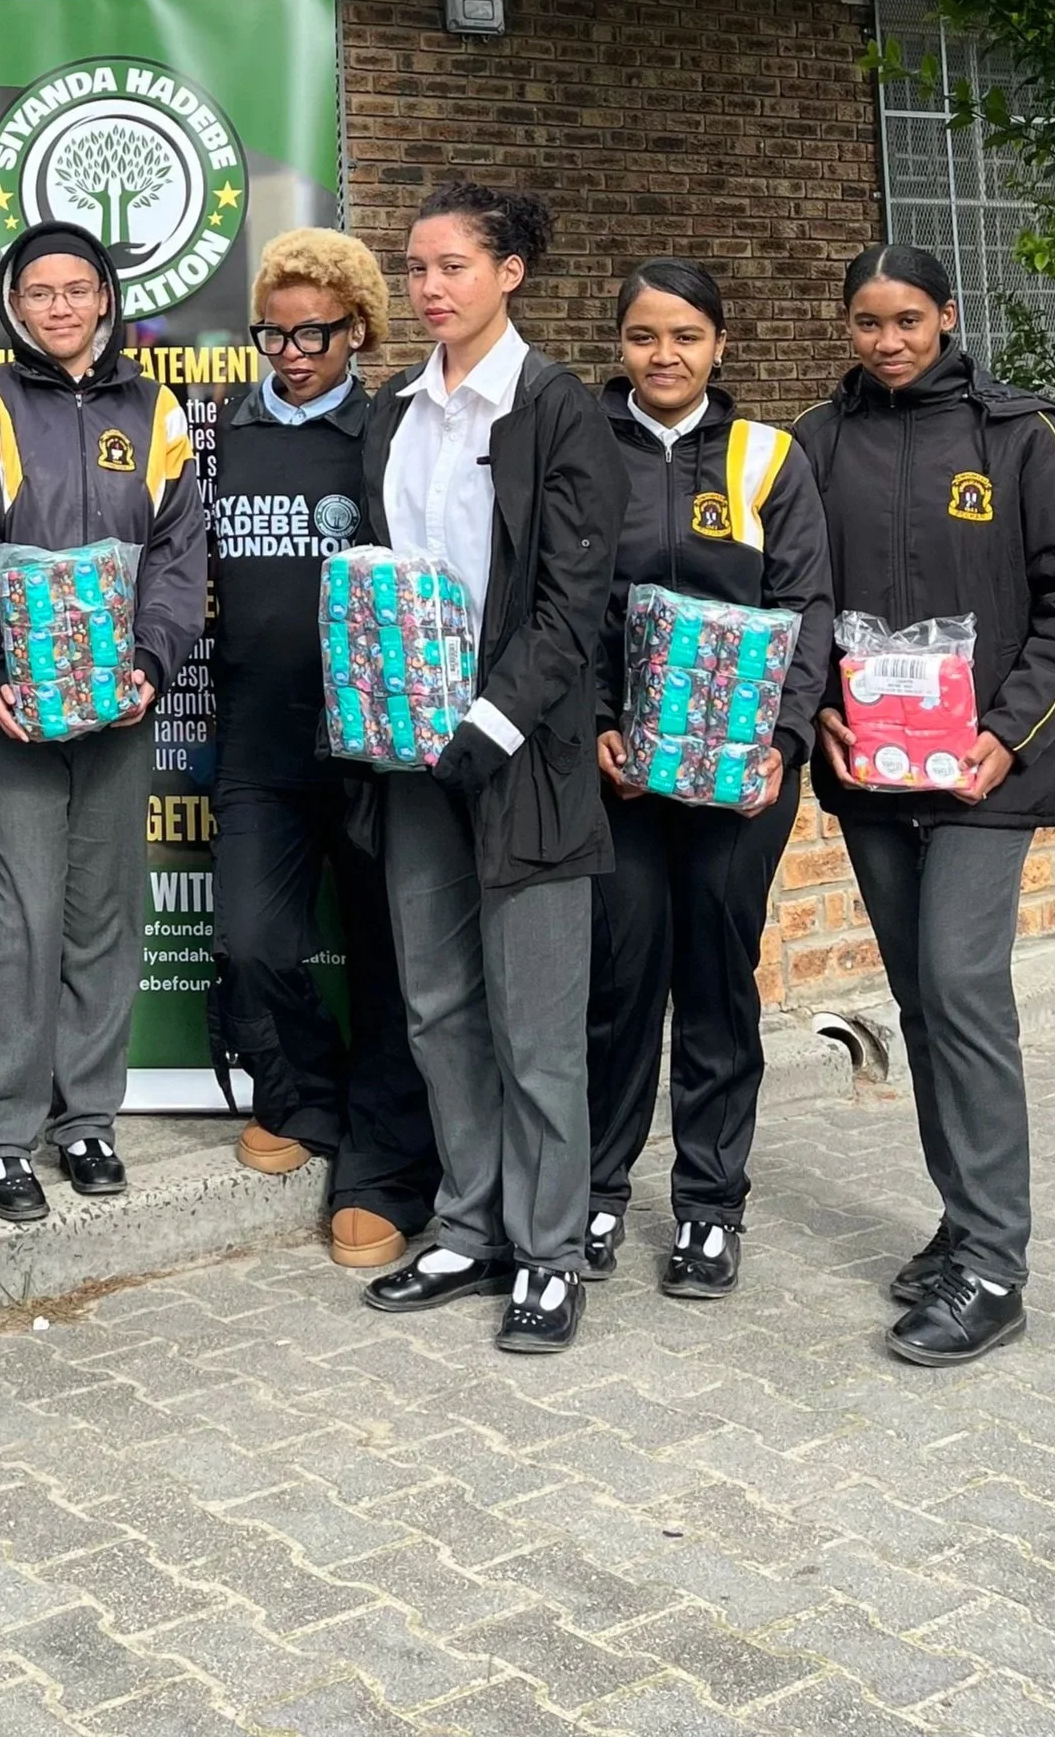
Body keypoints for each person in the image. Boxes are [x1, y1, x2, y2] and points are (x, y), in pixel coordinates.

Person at [357, 182, 626, 1353]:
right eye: (414, 268)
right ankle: (468, 1222)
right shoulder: (393, 411)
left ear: (508, 271)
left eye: (451, 265)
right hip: (410, 750)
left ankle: (551, 1250)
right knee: (435, 1002)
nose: (428, 287)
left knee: (534, 1020)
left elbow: (573, 603)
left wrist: (491, 721)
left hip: (520, 758)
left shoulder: (556, 408)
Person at [794, 243, 1055, 1366]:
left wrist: (1003, 737)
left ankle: (996, 1266)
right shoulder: (816, 441)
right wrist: (815, 701)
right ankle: (960, 1220)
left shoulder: (1018, 435)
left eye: (906, 319)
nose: (886, 340)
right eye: (865, 322)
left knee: (961, 985)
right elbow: (796, 595)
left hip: (977, 777)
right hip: (871, 776)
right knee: (915, 997)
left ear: (945, 315)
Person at [0, 219, 207, 1221]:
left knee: (104, 910)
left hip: (118, 710)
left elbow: (180, 556)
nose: (57, 305)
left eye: (75, 287)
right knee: (23, 915)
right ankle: (2, 1131)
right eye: (37, 291)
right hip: (14, 709)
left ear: (104, 296)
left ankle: (85, 1115)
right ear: (14, 306)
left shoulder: (155, 408)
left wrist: (148, 664)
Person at [585, 259, 833, 1298]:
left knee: (716, 982)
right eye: (643, 336)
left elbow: (806, 602)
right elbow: (565, 600)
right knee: (618, 975)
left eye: (684, 335)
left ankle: (707, 1205)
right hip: (620, 780)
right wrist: (598, 724)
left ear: (717, 344)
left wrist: (778, 740)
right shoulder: (583, 449)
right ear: (620, 345)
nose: (663, 355)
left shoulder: (766, 456)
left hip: (740, 783)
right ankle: (594, 1188)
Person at [209, 228, 440, 1271]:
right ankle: (305, 1095)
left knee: (389, 958)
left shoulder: (390, 431)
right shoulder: (223, 428)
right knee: (253, 938)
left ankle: (384, 1163)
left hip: (374, 738)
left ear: (357, 328)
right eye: (274, 330)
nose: (292, 349)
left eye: (315, 331)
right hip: (257, 735)